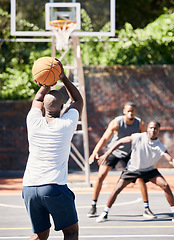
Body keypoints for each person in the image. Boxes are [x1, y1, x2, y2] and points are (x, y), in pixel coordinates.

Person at [22, 59, 83, 240]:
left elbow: (38, 99)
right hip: (53, 186)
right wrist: (62, 77)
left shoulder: (32, 121)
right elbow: (78, 100)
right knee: (71, 232)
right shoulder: (66, 124)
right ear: (63, 108)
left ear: (43, 108)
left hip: (29, 187)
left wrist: (46, 83)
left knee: (40, 236)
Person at [96, 121, 174, 223]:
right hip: (133, 169)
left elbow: (170, 159)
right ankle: (105, 213)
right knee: (117, 189)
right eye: (151, 128)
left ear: (159, 131)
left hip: (149, 170)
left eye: (155, 129)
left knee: (165, 186)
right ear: (147, 128)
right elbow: (119, 142)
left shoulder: (159, 145)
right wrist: (107, 154)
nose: (153, 130)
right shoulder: (138, 137)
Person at [88, 102, 156, 219]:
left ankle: (146, 208)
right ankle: (93, 205)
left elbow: (145, 139)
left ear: (135, 112)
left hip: (130, 153)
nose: (131, 113)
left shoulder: (140, 124)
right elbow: (105, 138)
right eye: (128, 111)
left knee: (140, 178)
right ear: (124, 111)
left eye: (133, 111)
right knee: (100, 177)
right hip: (114, 151)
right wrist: (95, 151)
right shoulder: (116, 123)